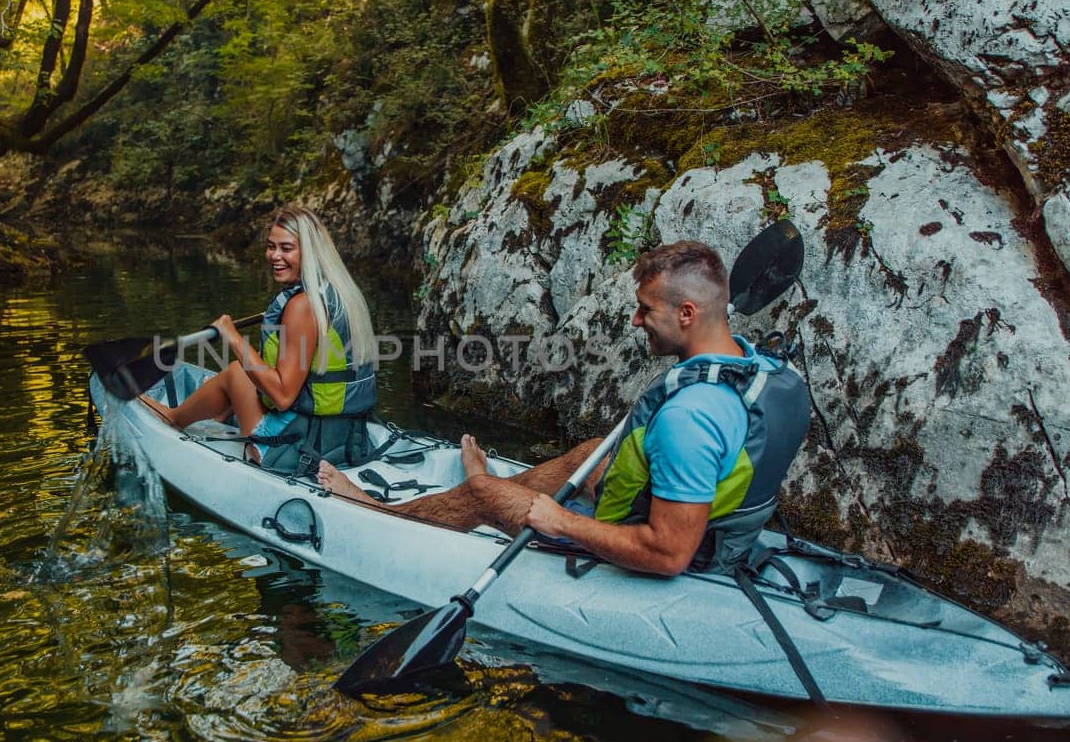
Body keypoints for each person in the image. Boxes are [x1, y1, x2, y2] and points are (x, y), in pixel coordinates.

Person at [317, 240, 811, 576]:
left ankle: (381, 511)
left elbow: (668, 554)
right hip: (721, 530)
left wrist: (562, 522)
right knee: (594, 453)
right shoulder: (757, 368)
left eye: (646, 309)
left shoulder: (691, 419)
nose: (636, 319)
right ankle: (497, 485)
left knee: (484, 493)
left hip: (667, 545)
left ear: (688, 313)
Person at [143, 204, 379, 474]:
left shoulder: (302, 306)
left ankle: (172, 419)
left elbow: (282, 396)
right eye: (271, 246)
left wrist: (233, 337)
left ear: (310, 253)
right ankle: (218, 417)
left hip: (296, 450)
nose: (274, 256)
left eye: (286, 248)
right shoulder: (338, 292)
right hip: (346, 441)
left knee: (236, 372)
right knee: (247, 373)